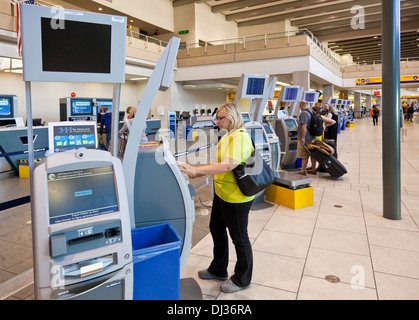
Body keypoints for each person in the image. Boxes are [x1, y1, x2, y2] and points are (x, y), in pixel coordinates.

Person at [178, 103, 254, 294]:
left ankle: (242, 278)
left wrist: (196, 170)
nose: (217, 121)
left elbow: (227, 166)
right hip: (222, 194)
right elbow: (217, 163)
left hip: (236, 198)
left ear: (232, 117)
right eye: (217, 117)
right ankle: (219, 269)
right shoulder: (228, 136)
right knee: (216, 228)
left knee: (239, 237)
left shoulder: (240, 138)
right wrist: (194, 171)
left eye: (220, 118)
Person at [297, 100, 317, 175]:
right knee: (313, 154)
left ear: (301, 105)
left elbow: (304, 126)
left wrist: (303, 137)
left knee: (304, 155)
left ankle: (302, 171)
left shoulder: (303, 113)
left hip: (306, 138)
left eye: (300, 105)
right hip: (313, 137)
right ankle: (313, 169)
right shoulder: (311, 112)